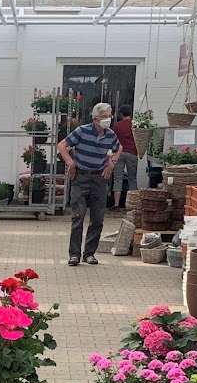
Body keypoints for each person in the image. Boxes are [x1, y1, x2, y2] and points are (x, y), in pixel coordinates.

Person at [57, 101, 121, 266]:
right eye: (104, 116)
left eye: (109, 116)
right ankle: (74, 255)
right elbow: (62, 145)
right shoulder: (82, 131)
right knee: (78, 216)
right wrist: (71, 163)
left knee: (98, 218)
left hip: (99, 178)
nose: (108, 119)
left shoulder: (110, 135)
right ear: (95, 119)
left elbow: (119, 148)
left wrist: (111, 163)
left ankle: (89, 254)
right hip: (80, 177)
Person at [110, 103, 139, 211]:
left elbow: (113, 139)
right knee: (132, 179)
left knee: (118, 179)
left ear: (121, 114)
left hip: (119, 153)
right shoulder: (135, 124)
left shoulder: (117, 125)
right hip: (132, 153)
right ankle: (132, 204)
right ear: (130, 113)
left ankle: (116, 204)